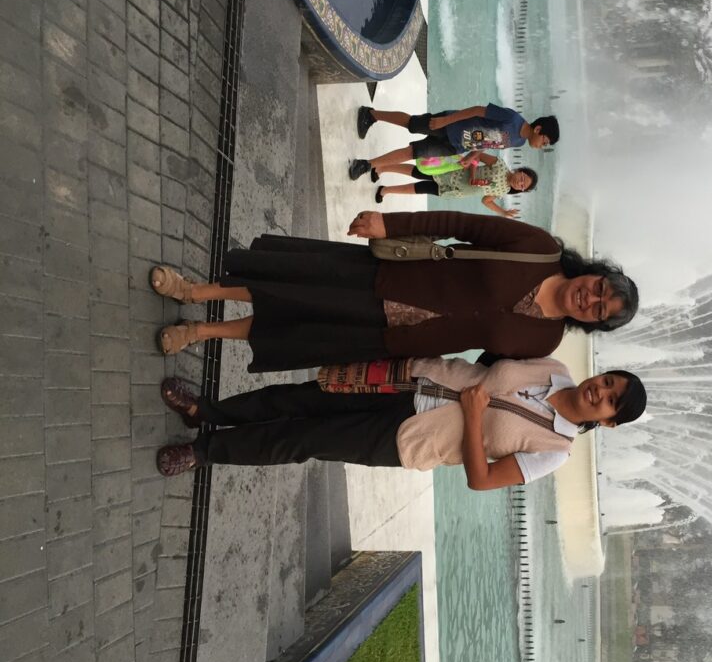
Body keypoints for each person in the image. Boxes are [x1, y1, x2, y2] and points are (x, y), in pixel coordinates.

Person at [151, 210, 639, 372]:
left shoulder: (545, 342)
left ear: (593, 323)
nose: (590, 299)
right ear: (594, 273)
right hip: (389, 279)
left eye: (599, 310)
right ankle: (194, 292)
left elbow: (480, 372)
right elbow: (461, 224)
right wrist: (391, 223)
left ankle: (201, 333)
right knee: (288, 290)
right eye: (599, 288)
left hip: (393, 339)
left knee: (294, 329)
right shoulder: (539, 249)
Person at [154, 357, 647, 491]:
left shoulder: (554, 452)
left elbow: (481, 480)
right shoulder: (554, 367)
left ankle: (204, 452)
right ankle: (206, 412)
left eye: (610, 402)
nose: (600, 391)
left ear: (608, 423)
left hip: (408, 439)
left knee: (304, 438)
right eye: (608, 382)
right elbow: (491, 356)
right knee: (297, 396)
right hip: (407, 380)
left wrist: (475, 417)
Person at [348, 104, 559, 181]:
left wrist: (471, 156)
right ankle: (372, 114)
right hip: (451, 125)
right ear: (538, 129)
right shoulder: (512, 119)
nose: (542, 146)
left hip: (456, 146)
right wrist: (446, 120)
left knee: (413, 152)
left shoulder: (519, 141)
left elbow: (490, 142)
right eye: (544, 141)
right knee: (411, 124)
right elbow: (477, 110)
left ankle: (367, 164)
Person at [373, 154, 537, 218]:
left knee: (420, 189)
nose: (520, 183)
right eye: (522, 178)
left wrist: (503, 212)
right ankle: (383, 168)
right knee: (418, 172)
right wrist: (473, 176)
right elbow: (477, 155)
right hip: (453, 173)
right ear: (519, 171)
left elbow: (486, 200)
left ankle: (386, 190)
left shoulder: (504, 190)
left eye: (523, 186)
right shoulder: (500, 164)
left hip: (455, 191)